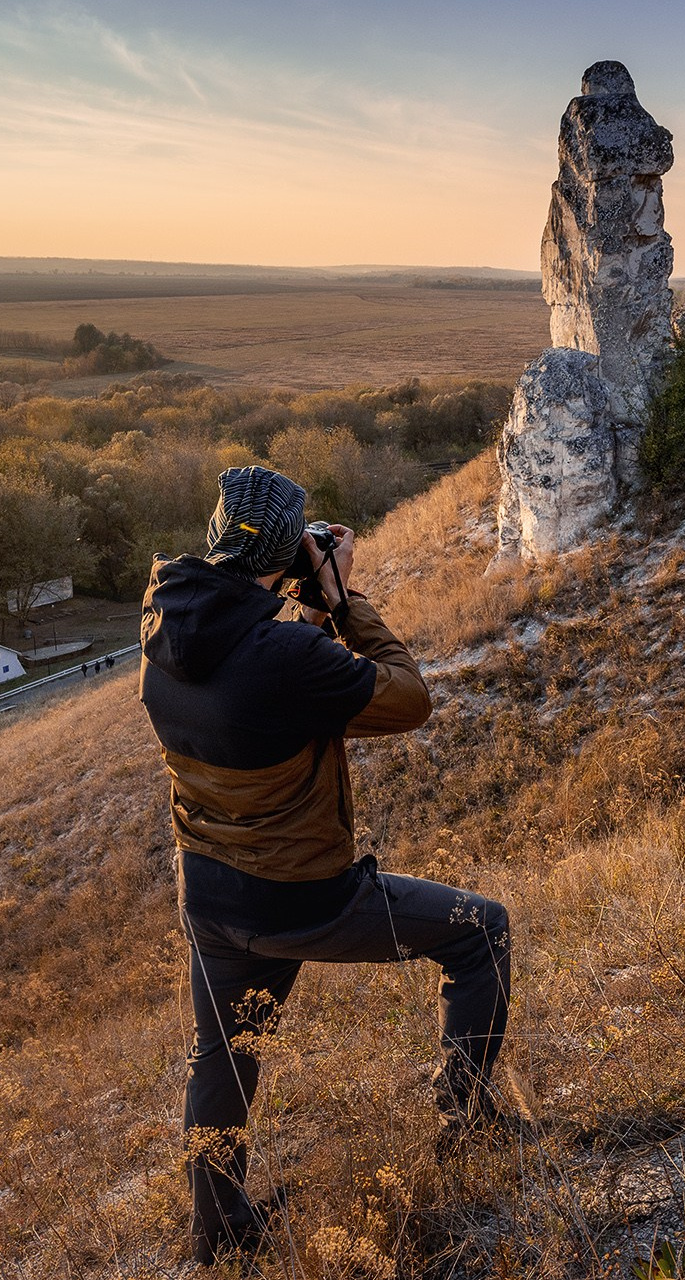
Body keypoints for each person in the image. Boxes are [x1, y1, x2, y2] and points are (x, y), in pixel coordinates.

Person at [139, 466, 510, 1266]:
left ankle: (219, 1234)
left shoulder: (165, 619)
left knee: (225, 1059)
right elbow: (408, 700)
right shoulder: (288, 651)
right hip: (303, 899)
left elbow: (254, 656)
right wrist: (341, 599)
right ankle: (467, 1118)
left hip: (208, 892)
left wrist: (294, 587)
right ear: (286, 552)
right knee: (481, 932)